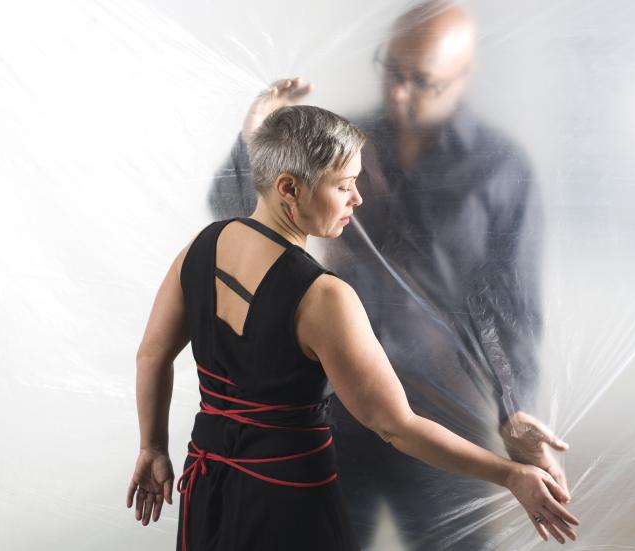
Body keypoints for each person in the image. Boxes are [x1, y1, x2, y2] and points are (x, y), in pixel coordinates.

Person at [126, 105, 578, 550]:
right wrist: (510, 474)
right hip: (287, 502)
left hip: (207, 488)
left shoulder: (199, 249)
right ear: (289, 188)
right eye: (344, 185)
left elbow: (151, 354)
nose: (357, 199)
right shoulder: (323, 297)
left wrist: (152, 448)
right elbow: (395, 426)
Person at [208, 2, 568, 547]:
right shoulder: (345, 143)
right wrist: (255, 140)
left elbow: (512, 311)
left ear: (463, 77)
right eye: (391, 70)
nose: (399, 92)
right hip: (332, 408)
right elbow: (233, 215)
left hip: (445, 420)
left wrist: (513, 409)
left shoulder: (499, 169)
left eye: (421, 81)